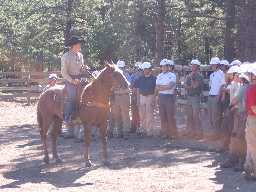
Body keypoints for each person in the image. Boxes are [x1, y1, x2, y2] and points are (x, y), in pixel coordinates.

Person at [61, 35, 86, 138]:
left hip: (79, 79)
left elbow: (81, 69)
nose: (80, 46)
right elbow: (63, 73)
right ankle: (67, 117)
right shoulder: (65, 56)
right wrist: (72, 81)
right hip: (70, 80)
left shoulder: (80, 55)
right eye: (79, 44)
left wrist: (84, 69)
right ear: (73, 46)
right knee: (71, 97)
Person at [156, 59, 177, 139]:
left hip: (169, 97)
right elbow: (157, 87)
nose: (164, 68)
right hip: (161, 97)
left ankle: (172, 133)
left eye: (166, 66)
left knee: (170, 115)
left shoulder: (172, 75)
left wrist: (162, 87)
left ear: (168, 67)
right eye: (163, 66)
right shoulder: (159, 75)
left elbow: (171, 86)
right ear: (161, 67)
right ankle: (164, 132)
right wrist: (165, 87)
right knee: (162, 116)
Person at [109, 60, 131, 138]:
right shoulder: (113, 76)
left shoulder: (126, 75)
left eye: (122, 67)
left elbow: (129, 88)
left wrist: (117, 91)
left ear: (124, 67)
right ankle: (119, 132)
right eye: (119, 67)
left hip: (124, 96)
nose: (120, 69)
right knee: (117, 115)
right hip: (116, 97)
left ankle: (126, 132)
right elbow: (111, 88)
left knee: (125, 115)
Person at [134, 62, 156, 136]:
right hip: (141, 96)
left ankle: (150, 130)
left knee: (149, 114)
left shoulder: (154, 78)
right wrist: (138, 100)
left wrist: (154, 99)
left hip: (150, 96)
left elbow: (156, 89)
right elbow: (137, 89)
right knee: (142, 114)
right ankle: (143, 129)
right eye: (144, 69)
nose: (145, 70)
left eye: (146, 69)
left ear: (150, 69)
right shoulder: (140, 78)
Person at [184, 59, 204, 139]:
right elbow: (185, 86)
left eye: (194, 65)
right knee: (189, 115)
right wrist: (189, 86)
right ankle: (191, 132)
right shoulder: (189, 75)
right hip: (189, 97)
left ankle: (199, 133)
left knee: (196, 116)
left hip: (196, 97)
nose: (192, 67)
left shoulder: (199, 76)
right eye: (191, 65)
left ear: (197, 66)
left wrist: (191, 81)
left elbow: (195, 86)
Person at [208, 57, 225, 140]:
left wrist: (219, 96)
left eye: (213, 64)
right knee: (211, 116)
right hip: (210, 96)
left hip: (216, 97)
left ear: (217, 65)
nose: (212, 66)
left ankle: (216, 134)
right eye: (211, 64)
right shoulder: (211, 75)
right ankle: (213, 133)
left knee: (216, 116)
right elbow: (211, 86)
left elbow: (222, 86)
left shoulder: (221, 74)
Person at [243, 68, 256, 180]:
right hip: (253, 118)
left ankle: (248, 167)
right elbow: (253, 107)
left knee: (251, 145)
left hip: (252, 119)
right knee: (253, 145)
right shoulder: (252, 89)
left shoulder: (251, 88)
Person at [130, 62, 143, 133]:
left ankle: (139, 127)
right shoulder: (133, 76)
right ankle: (134, 126)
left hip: (140, 96)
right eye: (137, 69)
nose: (138, 71)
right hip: (134, 96)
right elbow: (131, 87)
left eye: (139, 70)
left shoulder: (140, 78)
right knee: (134, 112)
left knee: (139, 112)